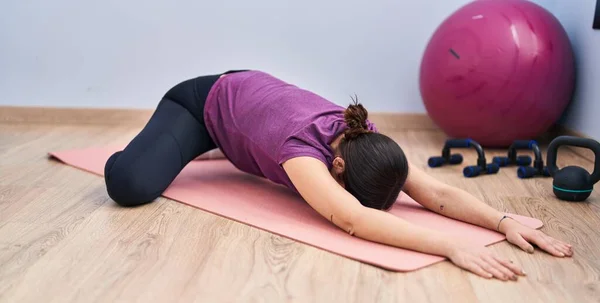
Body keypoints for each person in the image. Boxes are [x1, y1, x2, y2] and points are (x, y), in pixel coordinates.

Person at [104, 70, 573, 281]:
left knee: (240, 144)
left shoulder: (365, 138)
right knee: (130, 185)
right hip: (200, 105)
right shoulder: (301, 152)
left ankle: (221, 145)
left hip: (248, 101)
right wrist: (450, 245)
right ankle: (179, 145)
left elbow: (435, 192)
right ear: (338, 168)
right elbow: (352, 219)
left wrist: (503, 221)